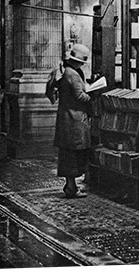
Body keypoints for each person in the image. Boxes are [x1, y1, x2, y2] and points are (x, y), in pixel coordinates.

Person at [53, 43, 93, 198]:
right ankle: (71, 187)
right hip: (74, 120)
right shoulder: (73, 74)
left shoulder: (67, 71)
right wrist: (93, 95)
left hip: (67, 119)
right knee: (73, 154)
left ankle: (70, 186)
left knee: (68, 154)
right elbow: (79, 96)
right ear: (78, 61)